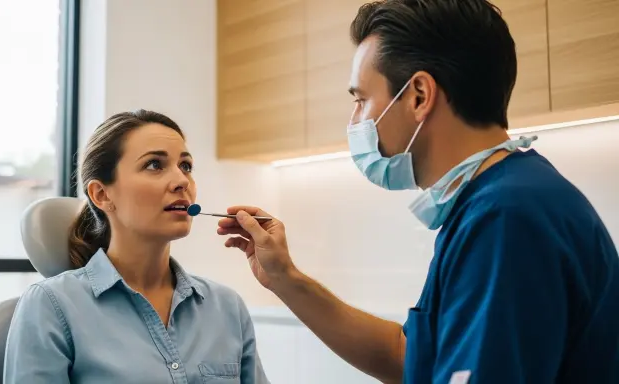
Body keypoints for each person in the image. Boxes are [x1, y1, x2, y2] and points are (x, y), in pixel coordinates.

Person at [217, 1, 619, 383]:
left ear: (418, 96)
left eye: (360, 100)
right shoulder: (498, 200)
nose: (355, 120)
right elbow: (409, 355)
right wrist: (285, 278)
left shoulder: (507, 216)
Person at [4, 110, 269, 383]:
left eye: (186, 166)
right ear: (102, 194)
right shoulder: (50, 305)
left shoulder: (227, 307)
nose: (182, 181)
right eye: (155, 165)